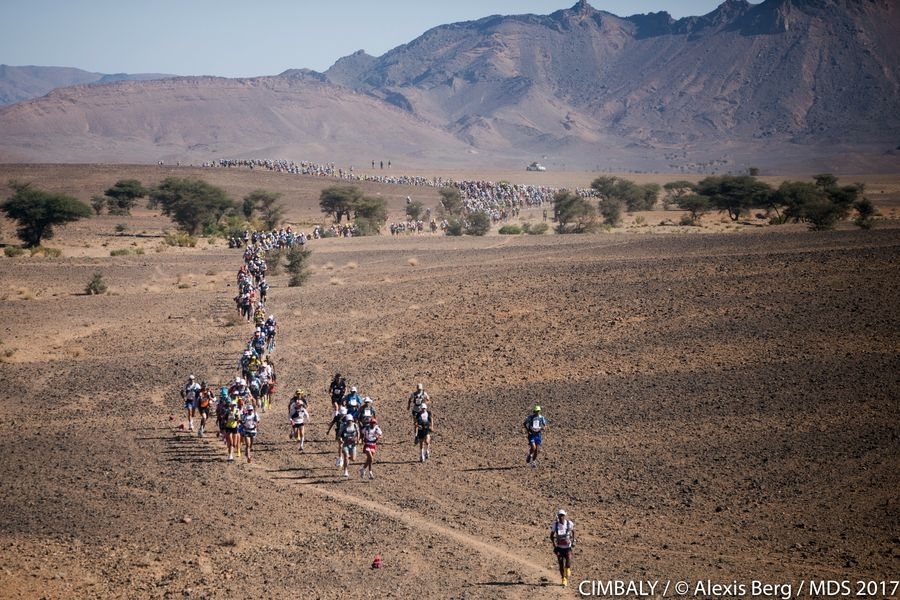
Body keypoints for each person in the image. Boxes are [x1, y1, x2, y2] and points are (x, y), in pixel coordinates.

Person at [550, 509, 576, 587]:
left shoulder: (569, 524)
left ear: (565, 516)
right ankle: (563, 579)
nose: (561, 517)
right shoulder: (555, 525)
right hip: (559, 548)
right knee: (561, 563)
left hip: (567, 547)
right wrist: (554, 546)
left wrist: (573, 540)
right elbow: (551, 536)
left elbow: (573, 531)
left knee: (568, 563)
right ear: (558, 516)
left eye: (562, 515)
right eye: (560, 515)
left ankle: (567, 570)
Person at [339, 413, 360, 478]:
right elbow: (339, 435)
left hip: (353, 444)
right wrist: (340, 440)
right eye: (348, 421)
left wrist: (358, 439)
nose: (349, 422)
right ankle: (345, 471)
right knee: (346, 456)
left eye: (350, 421)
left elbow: (358, 433)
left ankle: (346, 459)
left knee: (353, 459)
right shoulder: (343, 426)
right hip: (345, 444)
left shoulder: (355, 426)